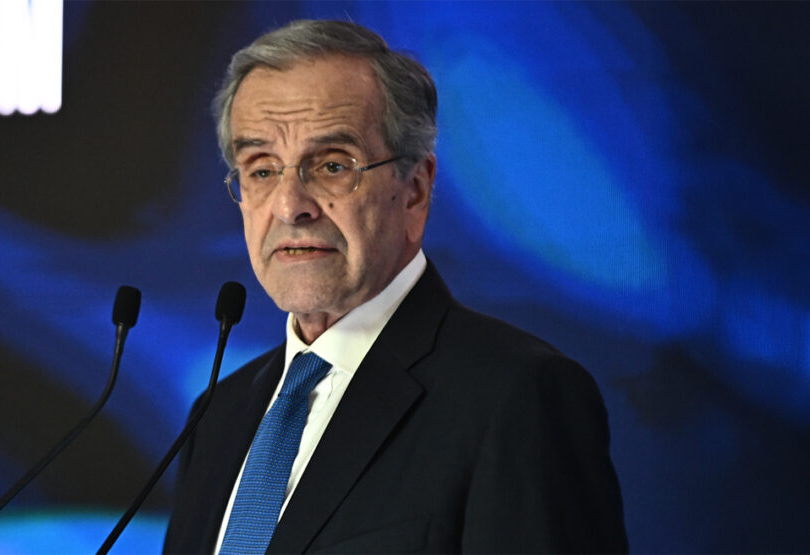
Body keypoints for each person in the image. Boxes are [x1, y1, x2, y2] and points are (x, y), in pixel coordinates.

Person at [163, 20, 627, 553]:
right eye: (262, 170)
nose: (290, 207)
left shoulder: (519, 397)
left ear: (414, 191)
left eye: (332, 165)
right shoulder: (216, 413)